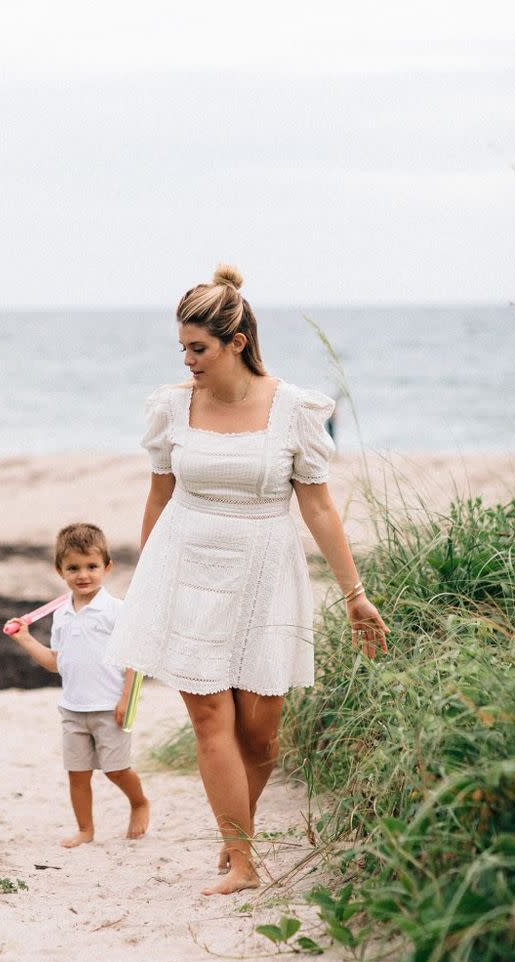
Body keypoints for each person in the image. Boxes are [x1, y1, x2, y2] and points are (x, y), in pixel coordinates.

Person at [104, 265, 388, 895]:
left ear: (236, 342)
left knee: (260, 730)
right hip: (185, 565)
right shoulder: (172, 407)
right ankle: (240, 857)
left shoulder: (294, 409)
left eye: (198, 348)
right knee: (210, 717)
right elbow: (158, 497)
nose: (188, 360)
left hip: (266, 568)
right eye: (182, 348)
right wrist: (147, 585)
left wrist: (355, 595)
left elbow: (317, 506)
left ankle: (239, 830)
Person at [7, 523, 150, 848]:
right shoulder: (61, 615)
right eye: (73, 568)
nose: (83, 575)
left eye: (91, 566)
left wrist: (127, 698)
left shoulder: (117, 611)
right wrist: (25, 639)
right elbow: (57, 662)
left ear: (107, 567)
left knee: (116, 769)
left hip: (109, 706)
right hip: (73, 708)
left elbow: (134, 658)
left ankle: (139, 801)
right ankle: (86, 829)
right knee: (78, 773)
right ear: (60, 571)